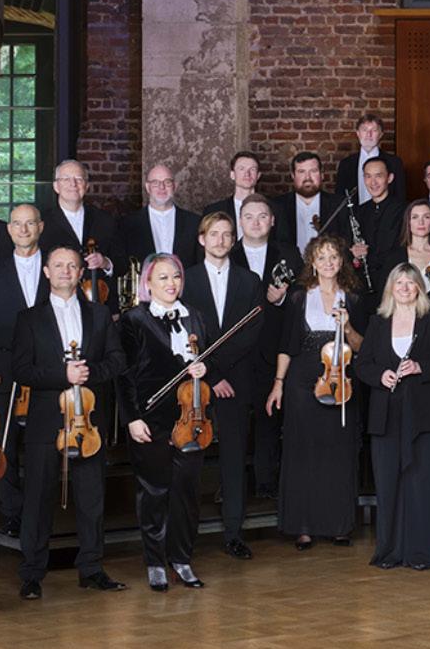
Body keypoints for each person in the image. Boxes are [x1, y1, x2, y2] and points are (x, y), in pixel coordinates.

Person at [13, 246, 126, 600]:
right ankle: (32, 573)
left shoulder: (99, 314)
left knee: (92, 499)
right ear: (46, 272)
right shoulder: (29, 318)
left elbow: (117, 360)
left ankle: (91, 569)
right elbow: (21, 370)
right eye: (58, 265)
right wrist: (62, 375)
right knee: (38, 499)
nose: (65, 271)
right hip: (46, 422)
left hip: (88, 423)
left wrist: (89, 374)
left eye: (72, 266)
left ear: (80, 273)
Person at [265, 235, 367, 551]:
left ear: (342, 261)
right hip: (301, 380)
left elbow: (363, 347)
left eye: (333, 256)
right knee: (302, 450)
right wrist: (278, 384)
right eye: (321, 257)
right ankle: (303, 526)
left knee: (339, 450)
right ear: (312, 262)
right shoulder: (298, 297)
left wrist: (347, 327)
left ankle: (339, 525)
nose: (328, 263)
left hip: (340, 380)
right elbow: (287, 344)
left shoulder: (354, 298)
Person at [118, 253, 213, 590]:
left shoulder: (195, 317)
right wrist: (132, 419)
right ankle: (155, 562)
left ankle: (182, 559)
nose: (171, 283)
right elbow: (124, 376)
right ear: (147, 282)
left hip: (190, 417)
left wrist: (205, 368)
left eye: (175, 276)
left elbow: (208, 359)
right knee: (154, 491)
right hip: (151, 418)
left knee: (187, 492)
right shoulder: (133, 320)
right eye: (162, 277)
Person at [355, 263, 430, 570]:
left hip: (425, 416)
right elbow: (362, 365)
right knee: (388, 484)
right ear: (391, 288)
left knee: (423, 485)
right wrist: (380, 375)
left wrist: (421, 367)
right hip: (386, 415)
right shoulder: (377, 322)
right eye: (398, 283)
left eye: (410, 283)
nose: (404, 288)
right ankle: (389, 552)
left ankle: (421, 553)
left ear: (418, 288)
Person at [181, 212, 264, 560]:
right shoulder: (185, 279)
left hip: (237, 381)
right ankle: (184, 537)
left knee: (233, 457)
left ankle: (233, 533)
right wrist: (212, 376)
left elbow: (251, 332)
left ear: (233, 240)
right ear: (202, 239)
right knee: (189, 458)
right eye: (213, 234)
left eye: (227, 234)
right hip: (195, 383)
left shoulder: (250, 280)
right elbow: (183, 329)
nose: (220, 240)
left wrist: (221, 371)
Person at [229, 194, 303, 499]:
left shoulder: (290, 254)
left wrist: (283, 299)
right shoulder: (226, 254)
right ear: (240, 221)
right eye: (249, 216)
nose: (256, 222)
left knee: (269, 418)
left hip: (274, 350)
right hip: (235, 354)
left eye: (262, 216)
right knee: (234, 424)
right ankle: (232, 485)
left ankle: (266, 483)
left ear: (272, 221)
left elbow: (303, 299)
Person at [0, 204, 48, 538]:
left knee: (43, 442)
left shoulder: (57, 268)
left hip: (48, 368)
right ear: (9, 229)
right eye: (17, 224)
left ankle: (40, 509)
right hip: (3, 369)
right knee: (5, 443)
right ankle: (13, 511)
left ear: (41, 227)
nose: (24, 230)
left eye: (30, 223)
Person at [41, 159, 122, 308]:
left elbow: (121, 262)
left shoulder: (105, 220)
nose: (73, 184)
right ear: (56, 186)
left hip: (100, 305)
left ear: (86, 186)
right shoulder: (42, 222)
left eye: (79, 179)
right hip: (56, 304)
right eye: (66, 179)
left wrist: (105, 263)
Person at [273, 152, 350, 256]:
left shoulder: (339, 205)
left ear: (322, 175)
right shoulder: (277, 206)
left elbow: (346, 244)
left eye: (313, 171)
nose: (307, 177)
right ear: (293, 176)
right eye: (301, 172)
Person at [351, 157, 407, 295]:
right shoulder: (359, 211)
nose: (373, 182)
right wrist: (355, 253)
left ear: (390, 178)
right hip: (363, 285)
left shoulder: (404, 210)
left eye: (379, 176)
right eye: (368, 176)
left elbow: (400, 250)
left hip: (394, 282)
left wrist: (370, 255)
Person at [334, 112, 406, 203]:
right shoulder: (346, 164)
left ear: (381, 134)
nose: (369, 134)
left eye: (374, 130)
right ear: (358, 133)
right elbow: (340, 198)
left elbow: (400, 197)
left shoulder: (394, 162)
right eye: (364, 130)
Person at [374, 199, 430, 291]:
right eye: (415, 217)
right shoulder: (393, 257)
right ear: (408, 223)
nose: (421, 222)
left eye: (426, 217)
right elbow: (385, 292)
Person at [205, 151, 269, 239]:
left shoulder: (275, 209)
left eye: (252, 169)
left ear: (258, 175)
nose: (247, 174)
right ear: (232, 174)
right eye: (241, 169)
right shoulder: (213, 210)